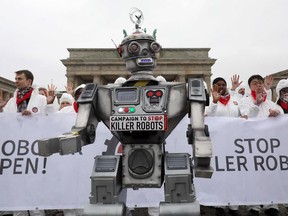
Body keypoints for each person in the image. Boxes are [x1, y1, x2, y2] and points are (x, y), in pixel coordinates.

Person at [0, 70, 46, 216]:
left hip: (33, 146)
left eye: (19, 78)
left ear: (29, 81)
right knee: (16, 184)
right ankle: (19, 212)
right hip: (16, 148)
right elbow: (7, 122)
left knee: (33, 183)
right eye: (15, 78)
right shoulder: (12, 101)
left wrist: (32, 116)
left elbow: (48, 121)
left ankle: (37, 212)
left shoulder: (40, 99)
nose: (16, 81)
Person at [239, 74, 283, 216]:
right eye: (254, 83)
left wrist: (277, 115)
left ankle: (272, 204)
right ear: (250, 86)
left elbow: (282, 116)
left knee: (270, 174)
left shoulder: (270, 103)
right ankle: (254, 205)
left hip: (270, 145)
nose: (258, 85)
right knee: (253, 175)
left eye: (260, 83)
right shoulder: (245, 101)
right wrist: (256, 105)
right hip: (252, 144)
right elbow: (246, 118)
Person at [205, 76, 241, 216]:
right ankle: (219, 205)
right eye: (218, 84)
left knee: (234, 175)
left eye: (223, 84)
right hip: (218, 143)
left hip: (234, 143)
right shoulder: (209, 101)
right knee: (219, 175)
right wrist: (214, 101)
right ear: (213, 86)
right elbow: (207, 116)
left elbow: (242, 114)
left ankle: (234, 206)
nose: (221, 86)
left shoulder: (234, 101)